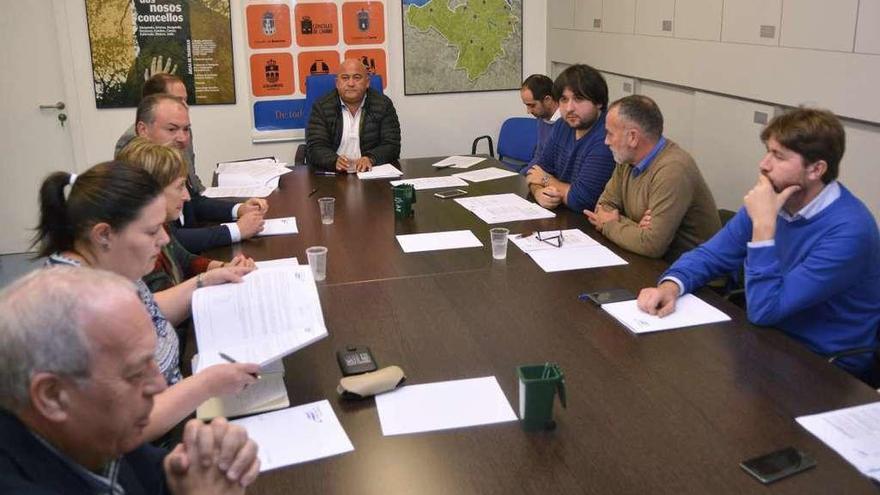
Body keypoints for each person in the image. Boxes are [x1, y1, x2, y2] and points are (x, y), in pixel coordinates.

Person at [637, 107, 880, 380]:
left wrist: (764, 226)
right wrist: (671, 285)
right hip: (769, 340)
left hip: (824, 366)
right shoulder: (775, 199)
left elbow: (765, 310)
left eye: (778, 156)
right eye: (767, 151)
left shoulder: (850, 231)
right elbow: (711, 255)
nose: (764, 164)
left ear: (816, 169)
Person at [34, 162, 260, 442]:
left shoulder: (102, 264)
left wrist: (202, 282)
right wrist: (207, 384)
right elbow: (123, 429)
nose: (165, 239)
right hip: (156, 444)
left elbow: (148, 312)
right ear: (103, 234)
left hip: (177, 406)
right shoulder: (80, 307)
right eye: (152, 231)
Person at [0, 266, 260, 494]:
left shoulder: (99, 430)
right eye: (136, 373)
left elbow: (154, 472)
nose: (158, 385)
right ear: (52, 396)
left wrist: (179, 475)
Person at [125, 93, 268, 253]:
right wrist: (236, 230)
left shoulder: (172, 160)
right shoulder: (136, 175)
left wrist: (239, 209)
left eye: (186, 129)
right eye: (172, 129)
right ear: (143, 130)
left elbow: (194, 203)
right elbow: (170, 240)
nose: (182, 138)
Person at [585, 95, 721, 262]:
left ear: (633, 137)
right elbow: (602, 207)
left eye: (610, 134)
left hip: (696, 276)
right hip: (651, 262)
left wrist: (612, 224)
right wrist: (636, 228)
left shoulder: (673, 169)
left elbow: (652, 245)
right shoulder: (626, 159)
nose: (606, 141)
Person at [118, 137, 256, 293]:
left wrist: (225, 268)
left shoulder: (160, 225)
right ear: (152, 191)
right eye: (180, 187)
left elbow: (184, 260)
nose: (187, 196)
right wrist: (207, 281)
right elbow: (163, 304)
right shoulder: (138, 244)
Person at [526, 64, 615, 212]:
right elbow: (534, 172)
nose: (569, 108)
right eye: (564, 99)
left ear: (599, 102)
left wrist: (546, 179)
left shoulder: (607, 136)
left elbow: (581, 200)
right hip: (561, 215)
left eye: (578, 99)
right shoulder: (562, 125)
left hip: (590, 224)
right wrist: (538, 192)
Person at [306, 58, 401, 173]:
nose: (351, 83)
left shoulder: (383, 105)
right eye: (345, 78)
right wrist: (334, 160)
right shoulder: (321, 106)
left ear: (367, 82)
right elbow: (315, 146)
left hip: (369, 172)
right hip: (334, 173)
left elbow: (392, 145)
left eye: (357, 77)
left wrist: (370, 158)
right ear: (337, 83)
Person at [520, 74, 561, 174]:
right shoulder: (542, 118)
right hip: (541, 177)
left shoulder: (566, 124)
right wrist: (523, 175)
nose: (528, 111)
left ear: (547, 100)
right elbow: (539, 156)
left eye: (532, 105)